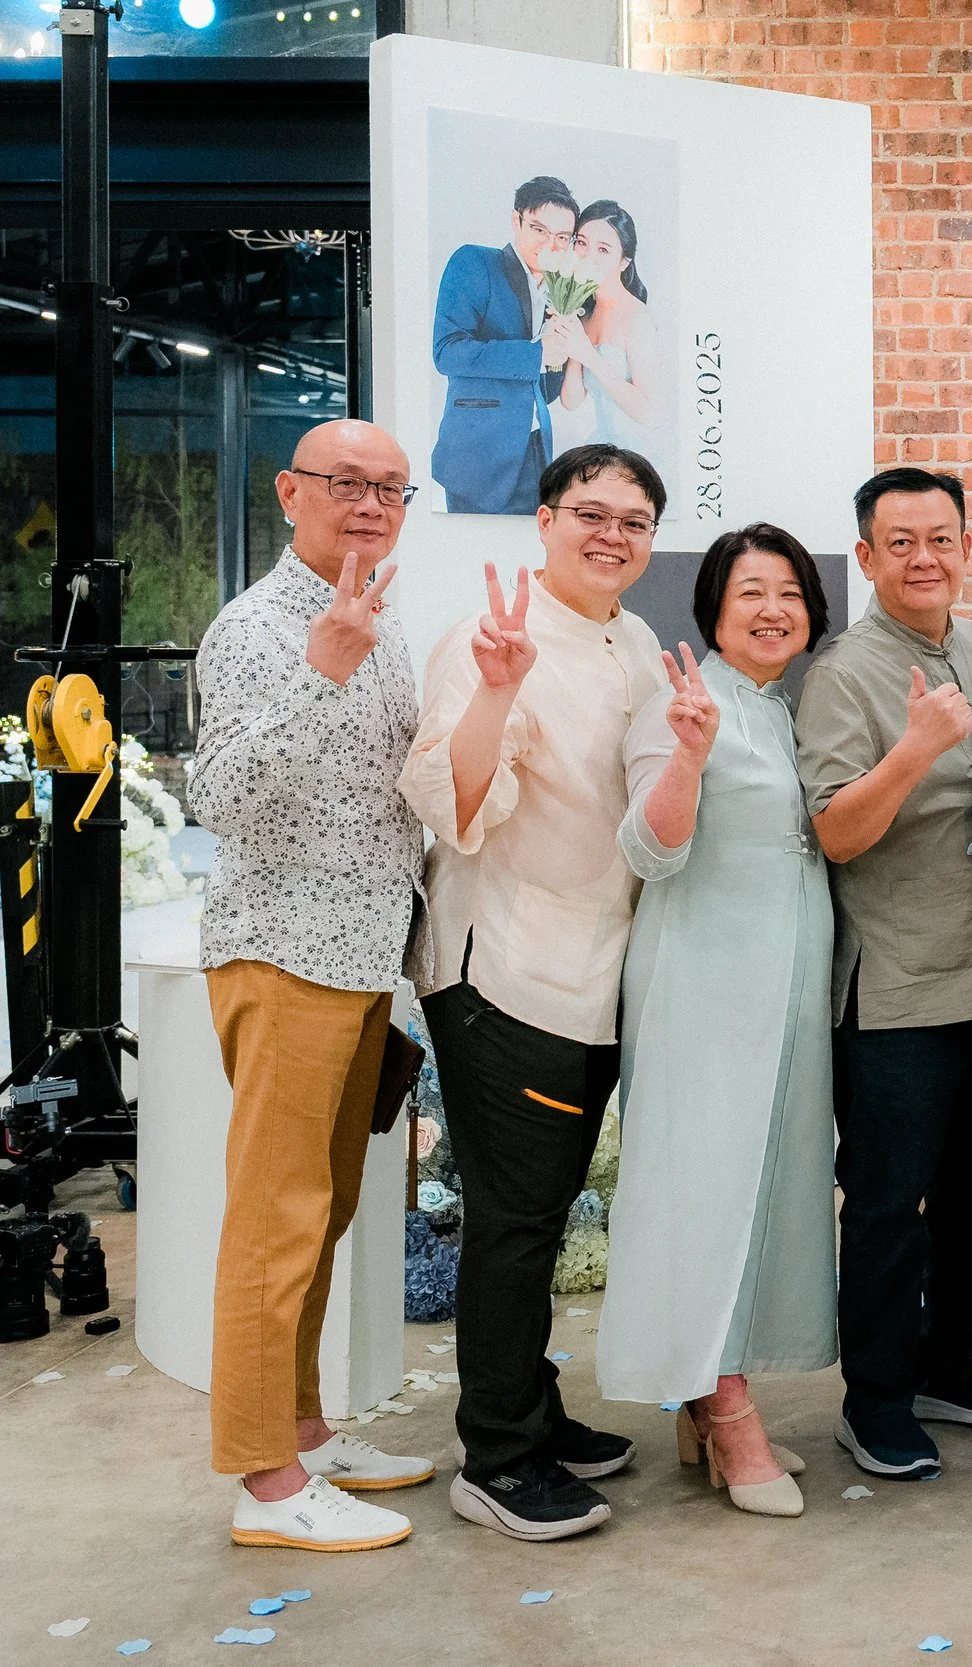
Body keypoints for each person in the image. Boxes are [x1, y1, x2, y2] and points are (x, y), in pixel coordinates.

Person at [400, 442, 671, 1541]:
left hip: (594, 977)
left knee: (542, 1214)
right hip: (506, 971)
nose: (612, 534)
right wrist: (500, 689)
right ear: (545, 520)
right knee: (513, 1226)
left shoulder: (637, 638)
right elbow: (455, 802)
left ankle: (532, 1409)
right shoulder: (485, 641)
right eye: (591, 513)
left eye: (634, 520)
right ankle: (498, 1456)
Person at [191, 419, 431, 1553]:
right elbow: (222, 795)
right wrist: (321, 673)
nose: (372, 503)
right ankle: (265, 1481)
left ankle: (304, 1429)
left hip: (359, 957)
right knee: (274, 1222)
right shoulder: (257, 628)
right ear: (291, 492)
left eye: (392, 487)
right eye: (348, 483)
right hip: (282, 950)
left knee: (323, 1213)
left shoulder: (376, 620)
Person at [598, 524, 838, 1519]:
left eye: (789, 590)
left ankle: (713, 1387)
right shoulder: (683, 700)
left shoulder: (781, 709)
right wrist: (688, 759)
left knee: (763, 1191)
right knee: (702, 1192)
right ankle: (723, 1405)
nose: (774, 606)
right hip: (703, 989)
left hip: (777, 996)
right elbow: (649, 851)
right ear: (712, 610)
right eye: (751, 591)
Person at [794, 467, 972, 1481]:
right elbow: (836, 831)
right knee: (889, 1205)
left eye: (940, 538)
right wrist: (918, 748)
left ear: (965, 546)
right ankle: (874, 1398)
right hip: (891, 989)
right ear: (868, 556)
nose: (923, 558)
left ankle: (946, 1361)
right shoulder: (844, 671)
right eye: (900, 542)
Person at [432, 175, 575, 515]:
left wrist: (564, 352)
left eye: (561, 237)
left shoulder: (560, 287)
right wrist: (538, 354)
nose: (550, 245)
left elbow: (547, 386)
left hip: (538, 453)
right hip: (478, 458)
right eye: (539, 230)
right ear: (516, 221)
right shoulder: (475, 263)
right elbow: (447, 352)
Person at [547, 199, 665, 455]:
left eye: (603, 249)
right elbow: (571, 401)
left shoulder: (637, 318)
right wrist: (571, 332)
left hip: (639, 453)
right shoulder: (585, 313)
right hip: (603, 447)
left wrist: (588, 353)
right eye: (581, 243)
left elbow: (649, 414)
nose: (588, 256)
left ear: (624, 262)